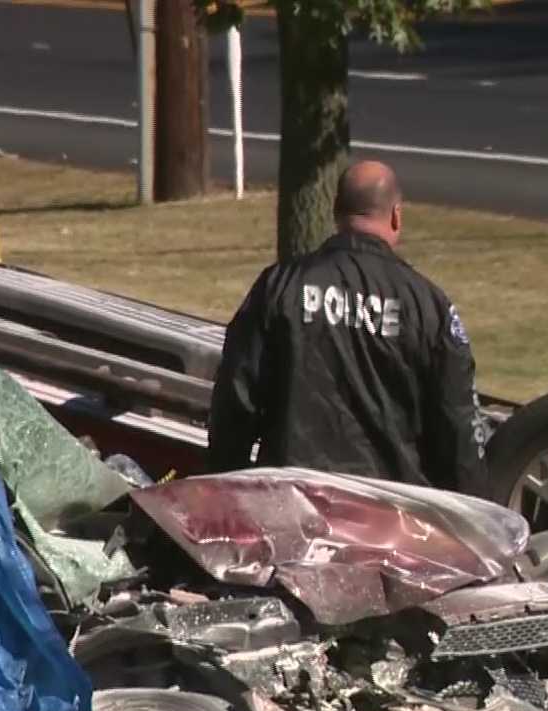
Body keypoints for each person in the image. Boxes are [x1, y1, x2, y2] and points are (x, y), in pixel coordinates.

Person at [207, 159, 487, 496]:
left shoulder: (280, 287)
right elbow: (458, 427)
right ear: (396, 215)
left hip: (294, 501)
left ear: (336, 212)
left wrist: (225, 483)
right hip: (392, 512)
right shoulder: (428, 306)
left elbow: (236, 398)